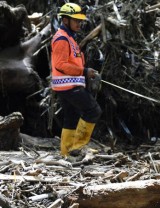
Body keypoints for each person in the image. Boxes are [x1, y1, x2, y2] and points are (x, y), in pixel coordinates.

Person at [51, 2, 102, 158]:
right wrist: (84, 71)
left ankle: (66, 152)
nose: (79, 23)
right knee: (93, 110)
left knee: (71, 117)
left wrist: (85, 73)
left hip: (66, 85)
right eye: (76, 20)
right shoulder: (61, 38)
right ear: (65, 20)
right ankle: (79, 147)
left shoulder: (68, 37)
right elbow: (60, 65)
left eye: (80, 20)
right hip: (68, 86)